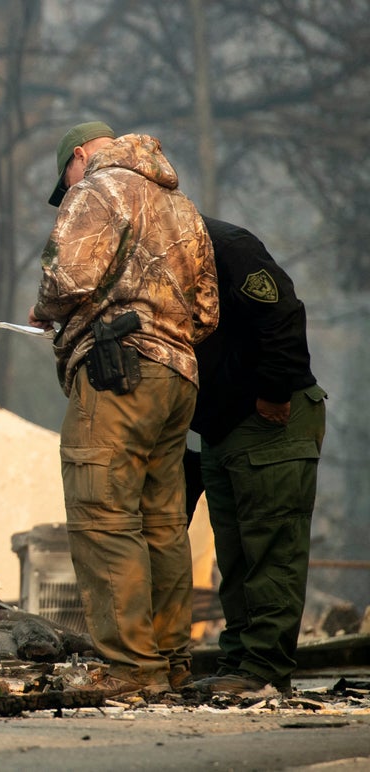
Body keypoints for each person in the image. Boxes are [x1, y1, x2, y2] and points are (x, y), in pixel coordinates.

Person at [28, 121, 218, 697]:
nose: (68, 193)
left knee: (104, 514)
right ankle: (169, 660)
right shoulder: (181, 205)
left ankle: (130, 668)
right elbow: (207, 311)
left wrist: (46, 312)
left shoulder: (99, 188)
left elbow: (64, 276)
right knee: (163, 522)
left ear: (80, 156)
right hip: (179, 376)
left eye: (66, 179)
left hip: (118, 373)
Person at [186, 217, 326, 696]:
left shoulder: (225, 245)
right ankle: (241, 661)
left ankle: (264, 668)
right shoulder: (156, 255)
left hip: (271, 417)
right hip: (223, 425)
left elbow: (282, 315)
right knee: (236, 555)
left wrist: (274, 390)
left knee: (271, 548)